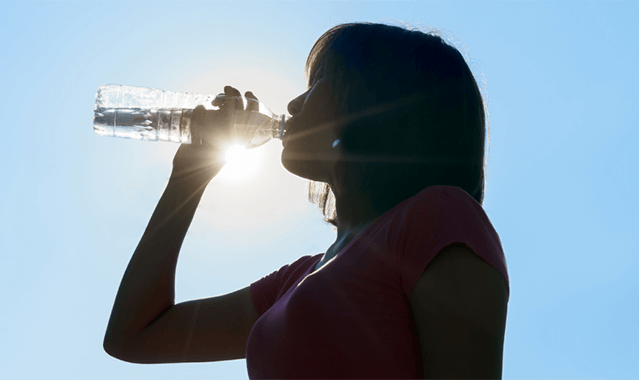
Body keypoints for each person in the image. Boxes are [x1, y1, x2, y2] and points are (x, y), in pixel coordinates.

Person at [103, 22, 510, 379]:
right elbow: (135, 335)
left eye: (316, 86)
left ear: (369, 106)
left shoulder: (439, 218)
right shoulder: (296, 279)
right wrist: (190, 173)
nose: (294, 104)